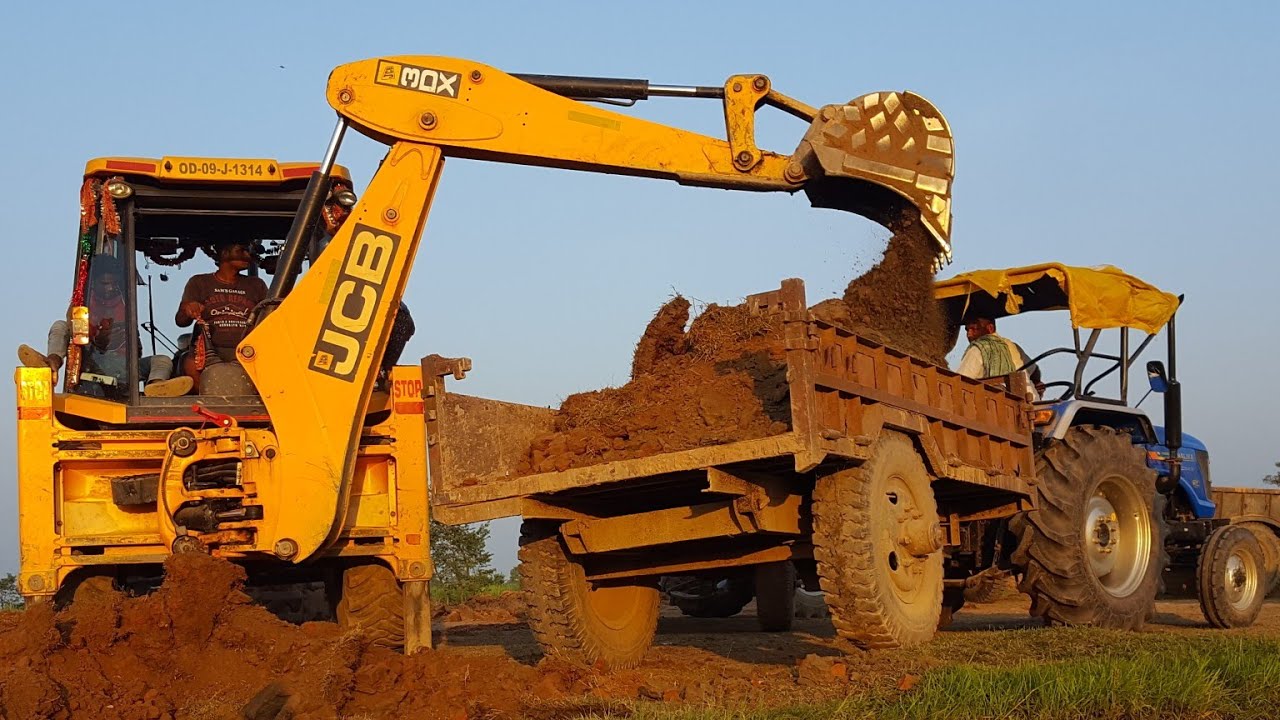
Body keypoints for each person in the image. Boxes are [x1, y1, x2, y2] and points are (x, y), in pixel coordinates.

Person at [18, 254, 193, 397]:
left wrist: (125, 342)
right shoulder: (83, 302)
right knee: (60, 326)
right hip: (93, 361)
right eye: (104, 284)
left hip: (123, 366)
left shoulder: (126, 304)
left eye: (113, 283)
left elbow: (138, 351)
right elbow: (75, 332)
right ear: (93, 282)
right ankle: (51, 365)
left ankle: (156, 387)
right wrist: (99, 340)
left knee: (162, 360)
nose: (109, 288)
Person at [176, 239, 268, 368]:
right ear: (224, 253)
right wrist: (188, 309)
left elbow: (269, 316)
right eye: (241, 251)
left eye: (248, 252)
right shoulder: (199, 282)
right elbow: (181, 322)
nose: (247, 256)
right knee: (190, 364)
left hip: (248, 351)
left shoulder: (257, 284)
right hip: (208, 351)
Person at [956, 316, 1042, 400]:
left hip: (1001, 405)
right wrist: (1037, 384)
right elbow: (1035, 370)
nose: (969, 334)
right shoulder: (1012, 345)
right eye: (967, 330)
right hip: (1034, 403)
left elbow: (959, 382)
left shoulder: (977, 349)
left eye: (974, 329)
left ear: (990, 328)